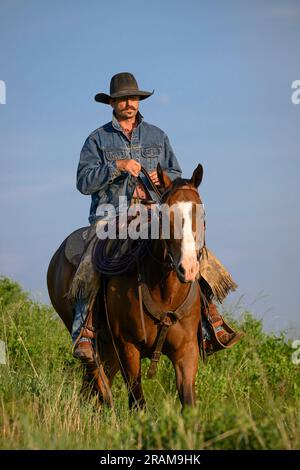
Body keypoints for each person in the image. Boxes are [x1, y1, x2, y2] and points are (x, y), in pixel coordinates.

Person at [71, 72, 242, 363]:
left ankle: (210, 321)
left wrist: (163, 180)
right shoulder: (97, 140)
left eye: (133, 98)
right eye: (123, 99)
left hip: (154, 212)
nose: (129, 103)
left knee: (193, 249)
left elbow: (177, 176)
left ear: (139, 101)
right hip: (113, 214)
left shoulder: (157, 135)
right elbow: (83, 182)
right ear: (112, 103)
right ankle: (85, 331)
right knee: (91, 260)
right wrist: (118, 166)